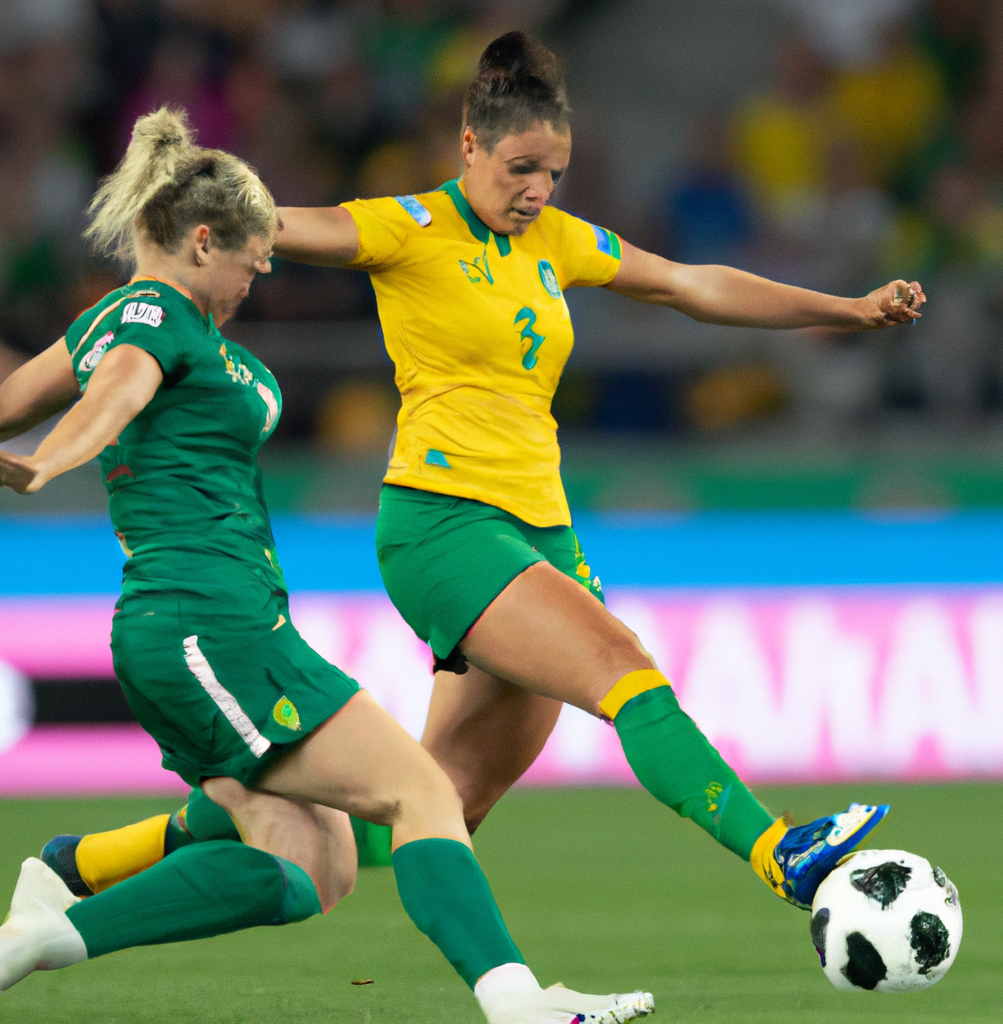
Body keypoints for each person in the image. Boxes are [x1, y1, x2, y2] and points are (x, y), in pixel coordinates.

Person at [39, 31, 921, 922]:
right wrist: (181, 188)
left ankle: (80, 863)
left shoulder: (561, 243)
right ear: (469, 146)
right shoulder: (406, 229)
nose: (538, 189)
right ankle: (782, 855)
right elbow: (255, 227)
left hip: (542, 531)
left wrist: (844, 310)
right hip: (445, 524)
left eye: (556, 173)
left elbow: (694, 285)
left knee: (430, 808)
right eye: (521, 166)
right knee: (625, 669)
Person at [0, 106, 656, 1024]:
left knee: (314, 864)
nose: (259, 274)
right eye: (247, 261)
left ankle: (43, 918)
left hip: (202, 629)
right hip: (208, 622)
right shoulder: (154, 315)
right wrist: (48, 463)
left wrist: (36, 442)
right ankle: (515, 1000)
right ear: (198, 241)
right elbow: (117, 392)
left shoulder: (121, 323)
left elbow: (17, 399)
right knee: (419, 790)